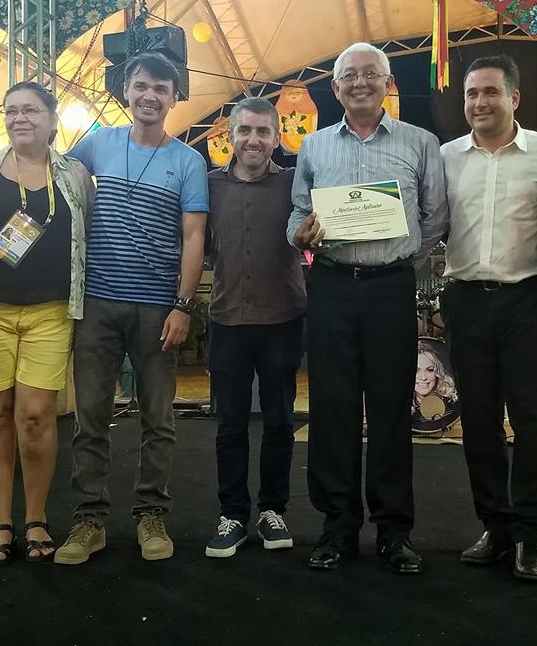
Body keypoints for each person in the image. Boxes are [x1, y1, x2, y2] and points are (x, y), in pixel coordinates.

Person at [287, 42, 448, 574]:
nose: (360, 82)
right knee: (332, 408)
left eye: (370, 74)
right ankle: (337, 527)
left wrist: (401, 259)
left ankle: (394, 531)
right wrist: (299, 234)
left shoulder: (420, 142)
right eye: (349, 76)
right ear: (335, 88)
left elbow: (435, 217)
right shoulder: (313, 147)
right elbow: (297, 213)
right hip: (331, 286)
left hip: (390, 290)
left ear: (387, 83)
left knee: (390, 408)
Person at [46, 53, 209, 565]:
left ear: (175, 98)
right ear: (126, 91)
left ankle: (151, 514)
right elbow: (48, 174)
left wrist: (183, 305)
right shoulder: (98, 143)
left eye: (161, 88)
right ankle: (88, 520)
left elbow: (194, 236)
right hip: (97, 305)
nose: (149, 96)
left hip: (158, 309)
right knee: (91, 417)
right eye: (141, 85)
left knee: (158, 418)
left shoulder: (188, 161)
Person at [0, 81, 93, 566]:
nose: (20, 118)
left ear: (52, 120)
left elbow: (87, 234)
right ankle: (0, 522)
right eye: (11, 111)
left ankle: (37, 518)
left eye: (31, 110)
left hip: (51, 313)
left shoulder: (75, 175)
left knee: (35, 415)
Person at [439, 55, 537, 581]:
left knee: (534, 419)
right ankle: (495, 526)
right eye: (471, 93)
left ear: (515, 98)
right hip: (465, 301)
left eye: (490, 92)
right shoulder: (445, 157)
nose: (479, 102)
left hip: (530, 300)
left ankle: (531, 534)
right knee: (479, 420)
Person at [204, 98, 306, 558]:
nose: (254, 139)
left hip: (283, 319)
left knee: (280, 420)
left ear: (277, 137)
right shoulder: (208, 186)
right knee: (229, 423)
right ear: (230, 135)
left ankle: (272, 510)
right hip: (226, 320)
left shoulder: (294, 183)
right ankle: (232, 514)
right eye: (245, 130)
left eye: (263, 131)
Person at [412, 345, 459, 434]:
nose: (423, 378)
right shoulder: (401, 410)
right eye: (416, 371)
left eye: (430, 370)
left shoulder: (452, 407)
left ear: (438, 373)